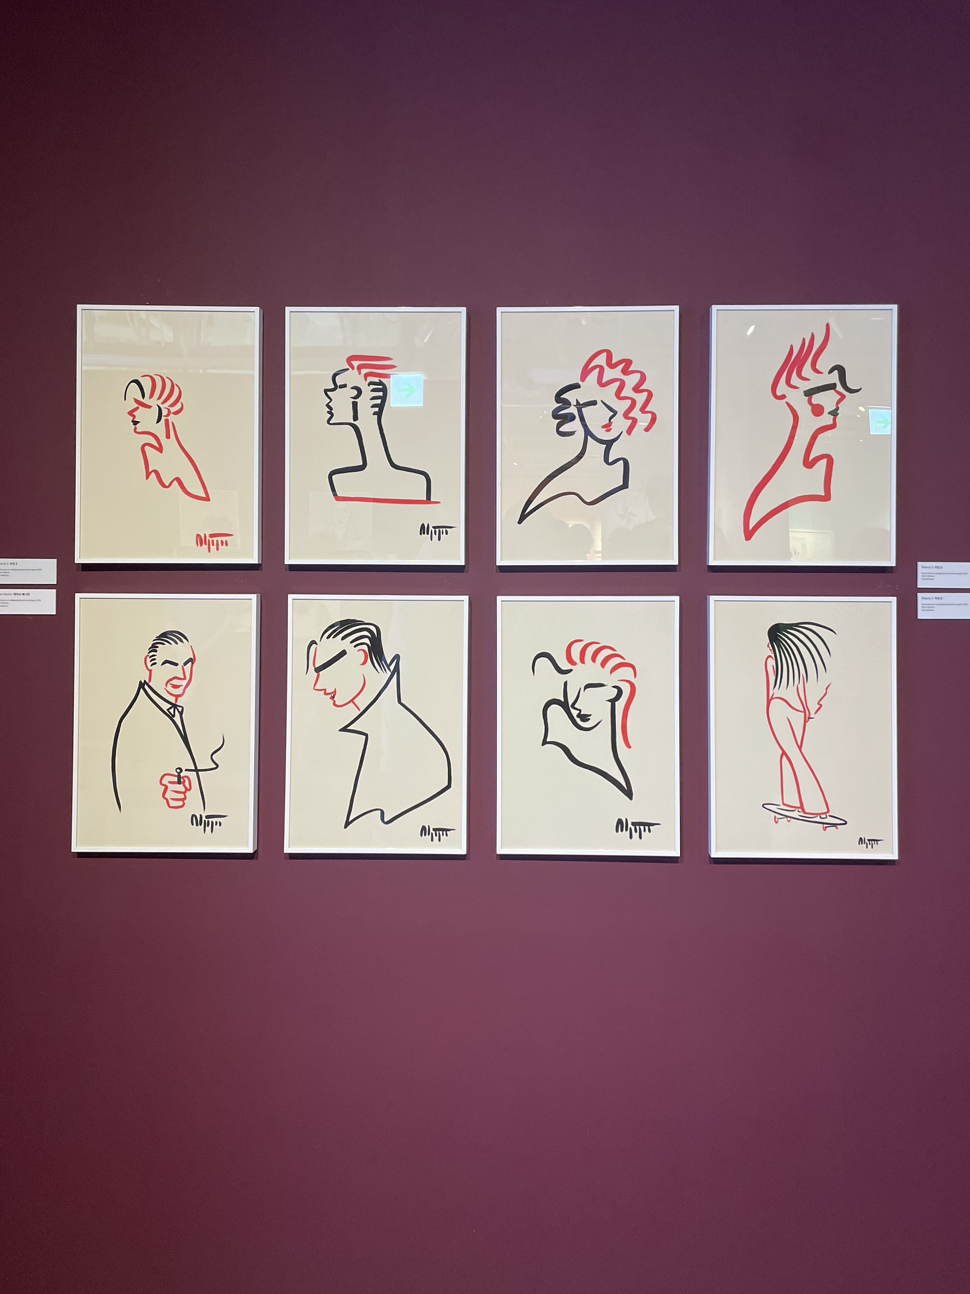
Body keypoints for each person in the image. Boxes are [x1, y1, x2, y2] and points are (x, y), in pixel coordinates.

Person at [307, 618, 450, 826]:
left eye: (326, 668)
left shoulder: (414, 744)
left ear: (360, 656)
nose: (318, 685)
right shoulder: (364, 730)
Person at [742, 325, 860, 541]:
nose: (840, 397)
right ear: (807, 403)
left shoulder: (818, 467)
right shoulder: (790, 482)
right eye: (829, 389)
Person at [517, 349, 656, 524]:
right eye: (598, 404)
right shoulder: (565, 482)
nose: (612, 414)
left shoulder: (627, 470)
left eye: (617, 405)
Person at [111, 630, 221, 818]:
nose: (182, 675)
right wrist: (160, 795)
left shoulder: (182, 713)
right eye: (171, 665)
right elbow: (128, 796)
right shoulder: (135, 722)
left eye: (187, 664)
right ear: (149, 663)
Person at [531, 637, 637, 798]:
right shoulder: (557, 757)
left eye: (589, 690)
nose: (576, 704)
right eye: (571, 690)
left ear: (615, 692)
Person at [323, 355, 435, 504]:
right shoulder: (416, 482)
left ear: (355, 394)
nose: (328, 393)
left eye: (339, 387)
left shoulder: (342, 481)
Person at [764, 621, 835, 817]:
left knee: (794, 756)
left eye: (770, 642)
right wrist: (807, 711)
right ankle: (792, 801)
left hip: (779, 707)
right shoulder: (796, 664)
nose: (768, 646)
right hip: (799, 711)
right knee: (790, 755)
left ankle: (815, 806)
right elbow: (802, 689)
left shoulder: (771, 662)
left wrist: (769, 711)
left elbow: (770, 690)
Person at [124, 374, 210, 502]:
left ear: (164, 411)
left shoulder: (178, 464)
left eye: (142, 406)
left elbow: (199, 500)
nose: (132, 412)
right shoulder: (148, 450)